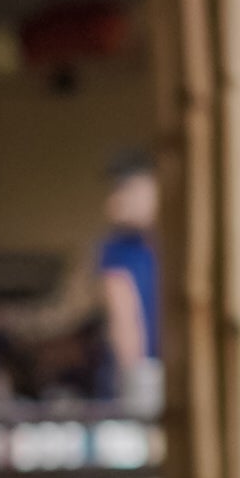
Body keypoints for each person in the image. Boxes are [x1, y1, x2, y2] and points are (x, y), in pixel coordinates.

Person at [90, 156, 161, 409]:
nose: (115, 201)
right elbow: (125, 325)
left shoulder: (176, 244)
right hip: (143, 379)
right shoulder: (117, 250)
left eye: (125, 189)